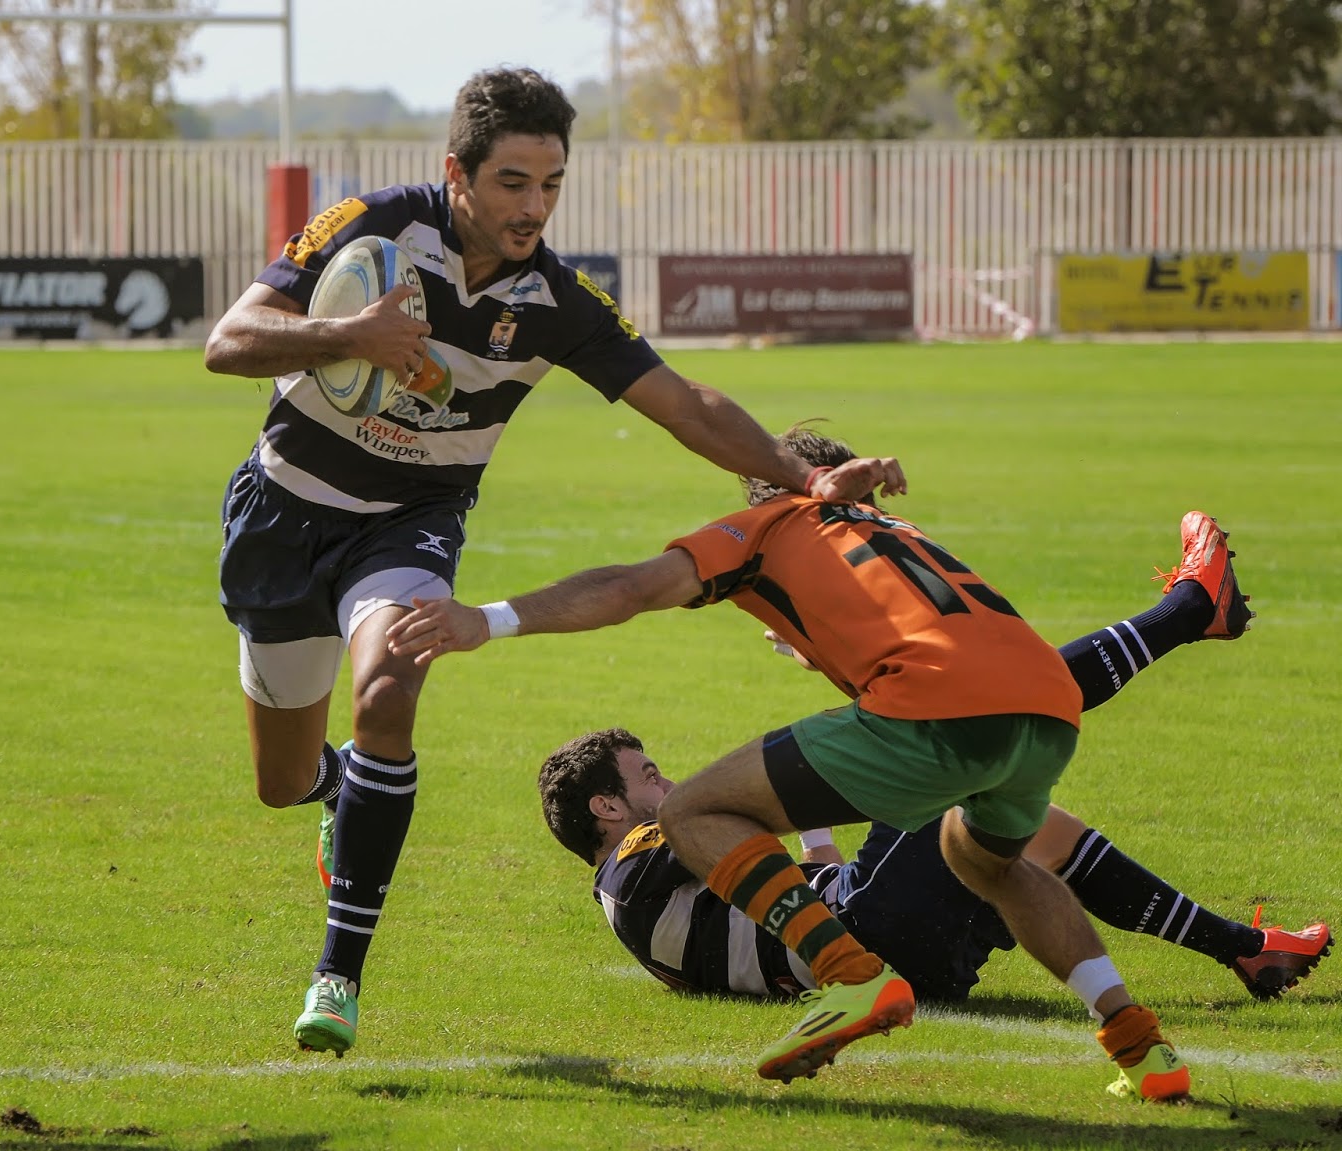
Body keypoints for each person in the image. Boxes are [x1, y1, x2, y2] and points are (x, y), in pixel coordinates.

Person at [200, 68, 823, 1059]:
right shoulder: (372, 226)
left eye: (551, 184)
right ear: (457, 173)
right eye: (512, 183)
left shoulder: (558, 300)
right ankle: (337, 788)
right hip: (282, 516)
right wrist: (349, 334)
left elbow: (685, 404)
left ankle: (337, 973)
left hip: (407, 527)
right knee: (282, 779)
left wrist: (804, 476)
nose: (534, 206)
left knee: (390, 685)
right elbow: (229, 341)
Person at [386, 423, 1236, 1100]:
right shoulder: (886, 525)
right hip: (1047, 701)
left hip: (941, 716)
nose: (656, 775)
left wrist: (489, 619)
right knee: (992, 863)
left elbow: (630, 588)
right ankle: (1141, 1044)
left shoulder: (767, 526)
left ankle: (848, 973)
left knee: (693, 811)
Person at [542, 726, 1330, 1005]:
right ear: (607, 807)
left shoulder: (647, 894)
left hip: (875, 936)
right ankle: (1240, 948)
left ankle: (1245, 949)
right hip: (870, 932)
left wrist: (809, 823)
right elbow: (731, 828)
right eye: (649, 777)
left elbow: (794, 890)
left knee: (1029, 829)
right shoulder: (626, 875)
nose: (672, 787)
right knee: (956, 758)